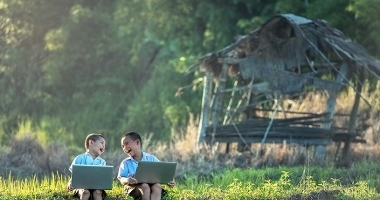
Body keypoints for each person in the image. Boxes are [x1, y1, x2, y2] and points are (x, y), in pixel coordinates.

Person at [117, 131, 175, 200]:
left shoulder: (151, 158)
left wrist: (170, 180)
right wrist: (127, 180)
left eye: (126, 143)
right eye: (123, 146)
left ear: (137, 142)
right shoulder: (125, 163)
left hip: (152, 185)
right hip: (133, 187)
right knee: (145, 186)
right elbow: (121, 179)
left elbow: (162, 172)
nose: (124, 148)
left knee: (157, 186)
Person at [67, 133, 107, 200]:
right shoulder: (79, 158)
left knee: (97, 192)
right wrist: (70, 183)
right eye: (102, 143)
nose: (104, 147)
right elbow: (74, 175)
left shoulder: (102, 162)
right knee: (85, 192)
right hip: (81, 187)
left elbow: (102, 178)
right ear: (91, 143)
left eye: (104, 145)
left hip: (97, 188)